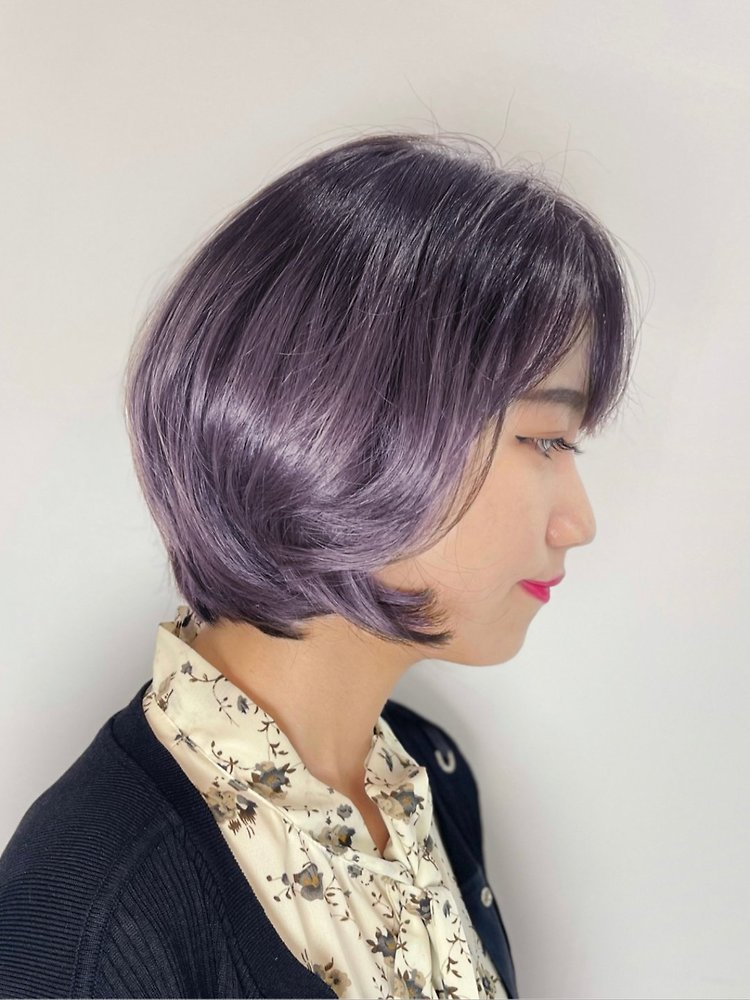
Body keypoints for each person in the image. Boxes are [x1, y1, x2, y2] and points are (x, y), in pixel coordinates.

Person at [0, 130, 638, 999]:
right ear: (355, 435)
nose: (579, 522)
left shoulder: (426, 776)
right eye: (546, 439)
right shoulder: (86, 917)